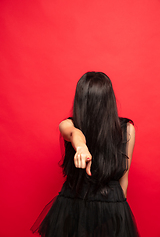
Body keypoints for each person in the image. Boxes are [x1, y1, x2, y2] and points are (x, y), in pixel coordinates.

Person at [30, 72, 139, 237]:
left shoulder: (126, 129)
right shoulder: (68, 124)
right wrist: (81, 147)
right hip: (74, 206)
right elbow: (73, 133)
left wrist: (119, 214)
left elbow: (124, 178)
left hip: (111, 206)